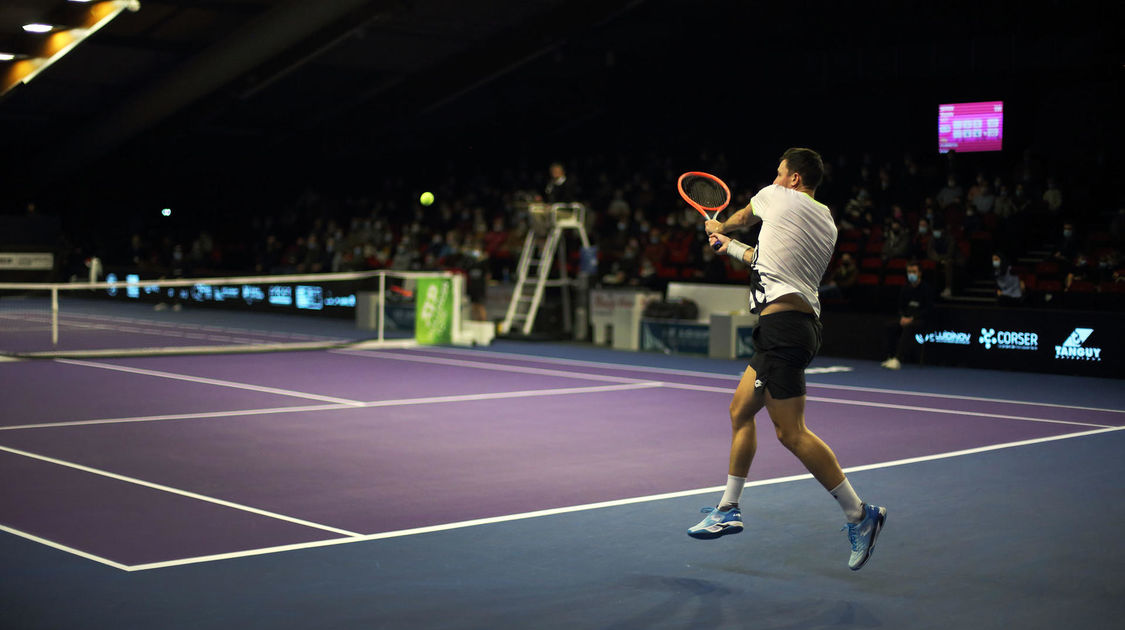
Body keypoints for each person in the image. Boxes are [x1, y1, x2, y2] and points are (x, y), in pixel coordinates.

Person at [692, 148, 887, 571]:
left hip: (783, 333)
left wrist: (718, 226)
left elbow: (742, 217)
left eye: (780, 173)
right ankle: (728, 508)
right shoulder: (826, 220)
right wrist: (730, 248)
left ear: (794, 178)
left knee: (791, 433)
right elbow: (769, 263)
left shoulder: (775, 196)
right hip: (794, 328)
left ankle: (859, 513)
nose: (775, 179)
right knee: (740, 410)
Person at [881, 261, 934, 369]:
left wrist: (912, 318)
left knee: (908, 327)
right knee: (889, 326)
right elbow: (900, 307)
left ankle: (898, 359)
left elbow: (928, 309)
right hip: (906, 318)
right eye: (909, 272)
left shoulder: (926, 289)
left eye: (914, 272)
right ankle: (889, 357)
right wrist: (902, 317)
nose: (911, 274)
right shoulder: (905, 288)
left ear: (920, 273)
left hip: (920, 320)